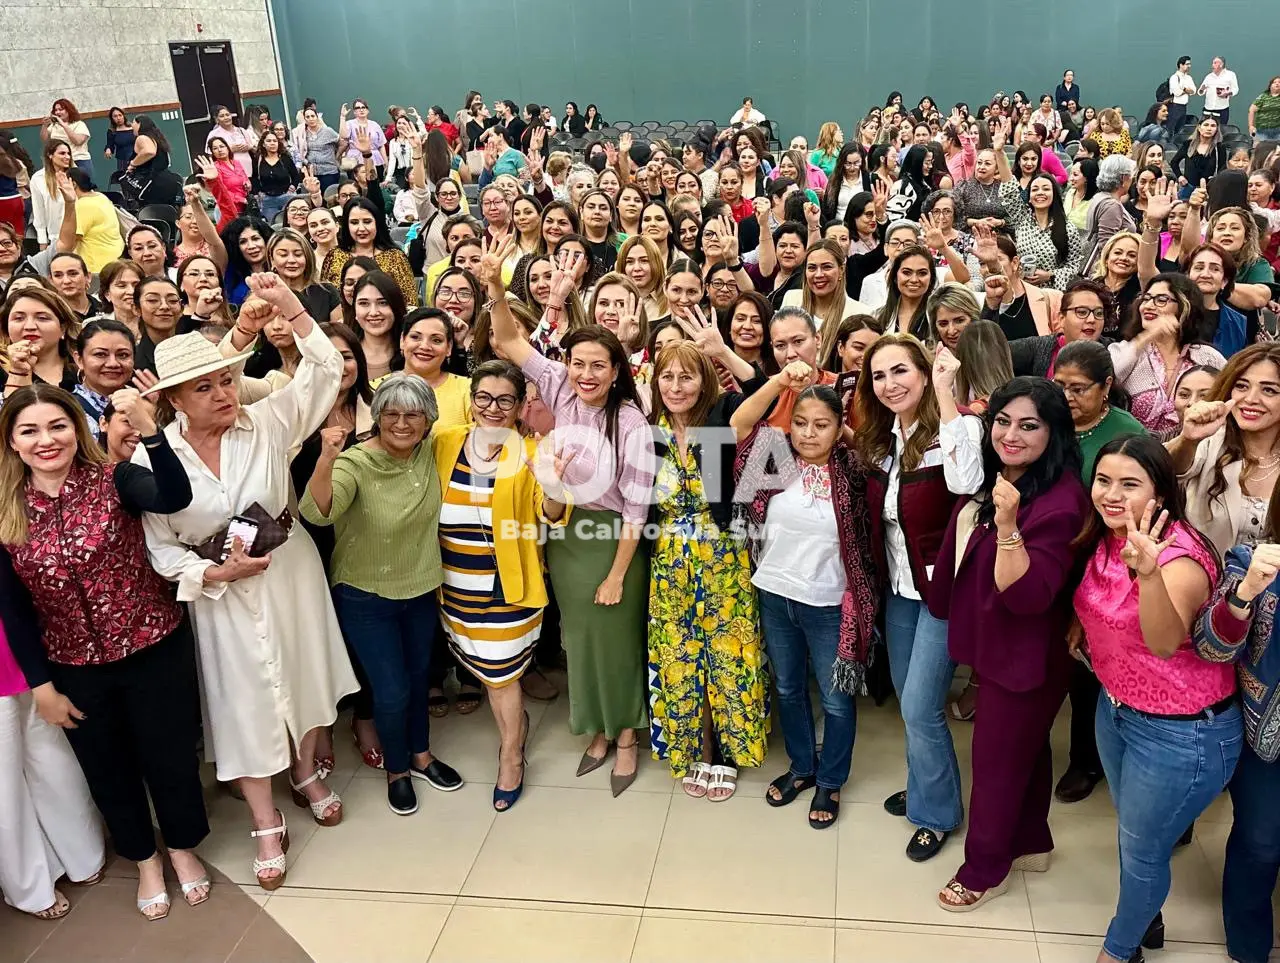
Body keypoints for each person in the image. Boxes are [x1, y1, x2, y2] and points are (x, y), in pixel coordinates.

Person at [135, 274, 359, 890]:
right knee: (242, 698)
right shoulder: (154, 457)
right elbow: (156, 545)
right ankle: (265, 820)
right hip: (219, 594)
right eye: (203, 387)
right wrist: (210, 571)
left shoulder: (267, 420)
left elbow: (322, 374)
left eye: (227, 378)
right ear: (175, 400)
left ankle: (308, 771)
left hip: (288, 569)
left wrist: (291, 308)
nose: (223, 393)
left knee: (305, 671)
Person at [0, 383, 210, 920]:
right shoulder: (7, 512)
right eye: (30, 430)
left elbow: (174, 496)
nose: (46, 439)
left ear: (76, 428)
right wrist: (41, 687)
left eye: (57, 426)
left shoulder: (115, 479)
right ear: (12, 443)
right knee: (107, 768)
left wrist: (149, 430)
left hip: (153, 647)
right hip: (74, 668)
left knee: (170, 758)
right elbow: (14, 611)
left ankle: (183, 849)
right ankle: (143, 859)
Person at [483, 238, 656, 796]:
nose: (585, 373)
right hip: (565, 534)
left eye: (597, 365)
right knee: (579, 641)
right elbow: (508, 338)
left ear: (615, 370)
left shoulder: (629, 420)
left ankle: (626, 735)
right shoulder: (556, 382)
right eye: (577, 362)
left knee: (617, 639)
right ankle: (597, 731)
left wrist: (615, 574)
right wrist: (495, 285)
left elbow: (636, 509)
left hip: (612, 543)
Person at [1075, 434, 1239, 962]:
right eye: (1104, 480)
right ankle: (1147, 920)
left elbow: (1164, 643)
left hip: (1181, 733)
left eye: (1130, 484)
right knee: (1133, 835)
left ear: (1160, 492)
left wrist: (1147, 572)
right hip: (1117, 710)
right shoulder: (1106, 535)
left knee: (1142, 851)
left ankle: (1119, 951)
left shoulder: (1176, 557)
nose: (1111, 494)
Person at [929, 377, 1089, 910]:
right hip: (1004, 644)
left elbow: (1025, 594)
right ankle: (1030, 842)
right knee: (1026, 749)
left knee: (996, 762)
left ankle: (983, 867)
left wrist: (1006, 525)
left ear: (1054, 431)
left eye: (1028, 425)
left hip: (1026, 652)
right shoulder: (1011, 475)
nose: (1010, 434)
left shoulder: (1059, 500)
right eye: (1002, 421)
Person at [300, 373, 464, 816]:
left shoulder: (431, 451)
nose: (402, 423)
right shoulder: (356, 462)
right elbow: (318, 510)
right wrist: (326, 459)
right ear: (376, 417)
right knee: (390, 692)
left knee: (417, 679)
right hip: (365, 595)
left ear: (429, 420)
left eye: (413, 414)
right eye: (390, 413)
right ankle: (398, 770)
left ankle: (422, 754)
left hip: (421, 587)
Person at [731, 380, 878, 828]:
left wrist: (849, 436)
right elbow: (738, 426)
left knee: (835, 701)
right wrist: (779, 384)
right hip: (775, 594)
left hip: (830, 603)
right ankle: (801, 767)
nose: (808, 433)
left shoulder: (854, 470)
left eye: (821, 425)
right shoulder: (771, 457)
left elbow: (880, 460)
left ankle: (831, 780)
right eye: (800, 423)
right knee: (789, 689)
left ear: (839, 428)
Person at [431, 361, 571, 810]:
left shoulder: (532, 451)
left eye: (505, 400)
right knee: (487, 672)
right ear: (471, 401)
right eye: (484, 398)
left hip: (509, 590)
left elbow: (550, 513)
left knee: (500, 677)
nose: (493, 408)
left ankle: (511, 753)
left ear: (519, 406)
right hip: (452, 586)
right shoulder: (445, 440)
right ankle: (515, 728)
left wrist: (553, 485)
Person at [647, 340, 766, 801]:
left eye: (687, 376)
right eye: (668, 377)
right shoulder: (652, 431)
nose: (676, 386)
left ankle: (727, 754)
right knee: (679, 656)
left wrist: (726, 352)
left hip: (723, 559)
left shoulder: (722, 418)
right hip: (670, 564)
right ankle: (693, 747)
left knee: (728, 654)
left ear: (705, 381)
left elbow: (763, 392)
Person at [0, 539, 105, 922]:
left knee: (53, 758)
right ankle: (28, 885)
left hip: (24, 640)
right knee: (4, 784)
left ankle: (82, 853)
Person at [1196, 510, 1280, 963]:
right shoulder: (1251, 560)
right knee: (1261, 842)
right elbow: (1211, 648)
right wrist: (1246, 592)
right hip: (1266, 737)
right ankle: (1249, 949)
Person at [1172, 343, 1280, 560]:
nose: (1250, 399)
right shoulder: (1210, 440)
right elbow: (1161, 472)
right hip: (1202, 585)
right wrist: (1187, 440)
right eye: (1241, 386)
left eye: (1269, 390)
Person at [1110, 273, 1225, 439]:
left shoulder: (1207, 356)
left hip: (1193, 451)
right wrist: (1146, 337)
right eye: (1146, 298)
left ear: (1185, 305)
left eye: (1161, 300)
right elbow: (1103, 379)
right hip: (1132, 451)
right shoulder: (1128, 350)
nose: (1148, 306)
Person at [995, 149, 1083, 290]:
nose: (1040, 192)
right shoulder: (1021, 218)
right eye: (1035, 189)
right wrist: (999, 152)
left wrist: (1050, 275)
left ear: (1054, 194)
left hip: (1052, 293)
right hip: (1022, 289)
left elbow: (1075, 267)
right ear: (1029, 197)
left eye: (1046, 189)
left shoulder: (1068, 229)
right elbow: (1009, 190)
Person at [321, 197, 418, 308]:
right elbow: (324, 300)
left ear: (377, 223)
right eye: (354, 222)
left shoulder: (395, 257)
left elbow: (410, 303)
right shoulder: (334, 256)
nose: (361, 228)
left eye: (367, 221)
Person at [2, 286, 80, 395]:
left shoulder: (83, 369)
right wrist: (18, 373)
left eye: (42, 318)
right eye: (19, 318)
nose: (29, 326)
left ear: (63, 328)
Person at [70, 318, 136, 440]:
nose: (113, 364)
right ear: (79, 360)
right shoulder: (67, 410)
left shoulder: (144, 403)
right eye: (100, 354)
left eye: (123, 355)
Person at [1083, 155, 1137, 273]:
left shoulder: (1099, 197)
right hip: (1104, 270)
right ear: (1123, 178)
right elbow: (1106, 244)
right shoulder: (1112, 205)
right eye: (1132, 177)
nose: (1132, 180)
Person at [40, 99, 92, 178]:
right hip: (60, 163)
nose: (57, 112)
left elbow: (78, 141)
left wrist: (63, 124)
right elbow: (45, 140)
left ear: (69, 110)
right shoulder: (54, 126)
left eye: (61, 110)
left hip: (78, 161)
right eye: (55, 110)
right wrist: (44, 126)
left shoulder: (79, 124)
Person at [1199, 56, 1241, 125]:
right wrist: (1202, 89)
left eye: (1215, 63)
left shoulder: (1230, 75)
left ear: (1221, 65)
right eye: (1212, 63)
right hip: (1208, 109)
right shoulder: (1209, 76)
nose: (1212, 65)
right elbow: (1201, 92)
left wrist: (1227, 93)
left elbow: (1235, 89)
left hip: (1222, 109)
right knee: (1205, 130)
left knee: (1221, 130)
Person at [1167, 56, 1199, 133]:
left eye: (1190, 64)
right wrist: (1186, 90)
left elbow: (1194, 91)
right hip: (1174, 106)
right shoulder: (1174, 77)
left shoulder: (1189, 78)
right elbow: (1177, 92)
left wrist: (1184, 89)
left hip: (1184, 106)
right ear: (1181, 65)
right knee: (1171, 128)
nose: (1189, 66)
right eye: (1187, 64)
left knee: (1180, 128)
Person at [103, 107, 135, 172]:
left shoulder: (133, 127)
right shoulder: (112, 131)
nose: (118, 118)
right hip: (122, 160)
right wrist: (108, 149)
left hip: (136, 158)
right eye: (115, 116)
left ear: (123, 116)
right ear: (112, 119)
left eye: (120, 115)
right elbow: (110, 145)